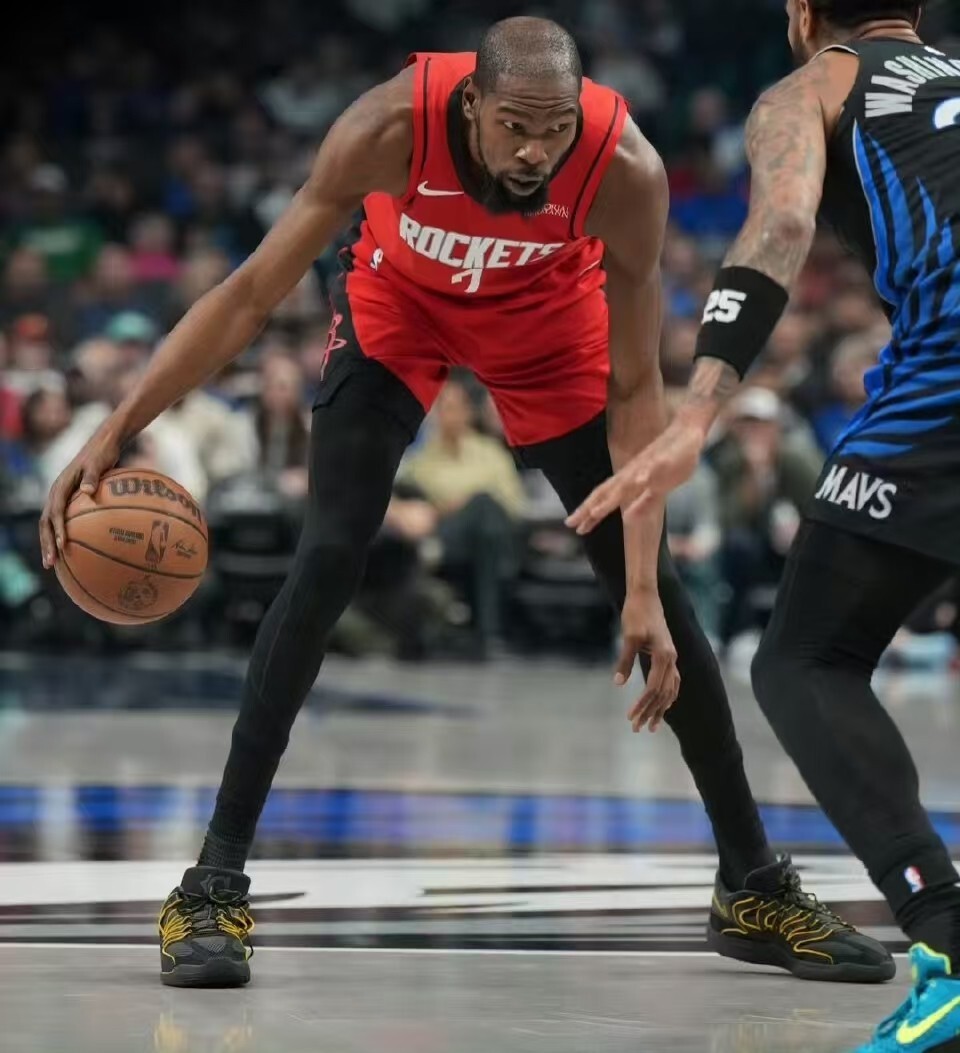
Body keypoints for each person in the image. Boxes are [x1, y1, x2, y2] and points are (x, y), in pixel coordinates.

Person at [39, 17, 889, 990]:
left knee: (662, 601)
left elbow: (634, 392)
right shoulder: (386, 127)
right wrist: (116, 428)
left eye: (555, 130)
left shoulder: (625, 171)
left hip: (548, 329)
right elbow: (249, 296)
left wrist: (639, 585)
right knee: (327, 558)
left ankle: (753, 885)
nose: (536, 151)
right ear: (471, 103)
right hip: (400, 307)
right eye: (515, 127)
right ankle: (211, 882)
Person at [568, 2, 960, 1049]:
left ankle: (950, 941)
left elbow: (782, 226)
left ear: (801, 11)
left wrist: (697, 410)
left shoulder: (816, 86)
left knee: (806, 660)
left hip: (949, 371)